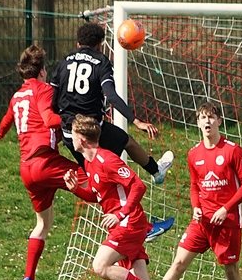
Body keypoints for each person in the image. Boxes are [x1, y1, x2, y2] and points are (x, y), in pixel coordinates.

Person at [63, 114, 204, 280]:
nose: (70, 138)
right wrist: (75, 189)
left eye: (73, 134)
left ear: (82, 139)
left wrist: (120, 214)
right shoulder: (89, 163)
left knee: (100, 265)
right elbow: (98, 196)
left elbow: (138, 186)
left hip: (130, 222)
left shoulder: (107, 159)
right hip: (123, 224)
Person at [132, 102, 242, 280]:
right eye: (203, 117)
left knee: (231, 270)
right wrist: (196, 207)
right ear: (198, 123)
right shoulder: (193, 154)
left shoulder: (233, 150)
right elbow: (195, 186)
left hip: (227, 222)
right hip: (201, 222)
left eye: (211, 117)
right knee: (178, 264)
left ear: (219, 121)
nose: (207, 121)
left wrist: (226, 208)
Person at [0, 45, 85, 280]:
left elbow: (4, 124)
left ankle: (28, 278)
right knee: (99, 183)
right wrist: (76, 119)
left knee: (43, 224)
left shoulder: (16, 96)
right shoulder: (43, 89)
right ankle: (138, 225)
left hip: (27, 168)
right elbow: (49, 119)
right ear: (43, 71)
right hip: (45, 161)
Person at [50, 21, 173, 183]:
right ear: (99, 45)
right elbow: (111, 96)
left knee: (96, 176)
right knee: (127, 142)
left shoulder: (65, 62)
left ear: (78, 44)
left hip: (69, 133)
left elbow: (53, 99)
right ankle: (156, 172)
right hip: (93, 130)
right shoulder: (101, 61)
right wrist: (136, 121)